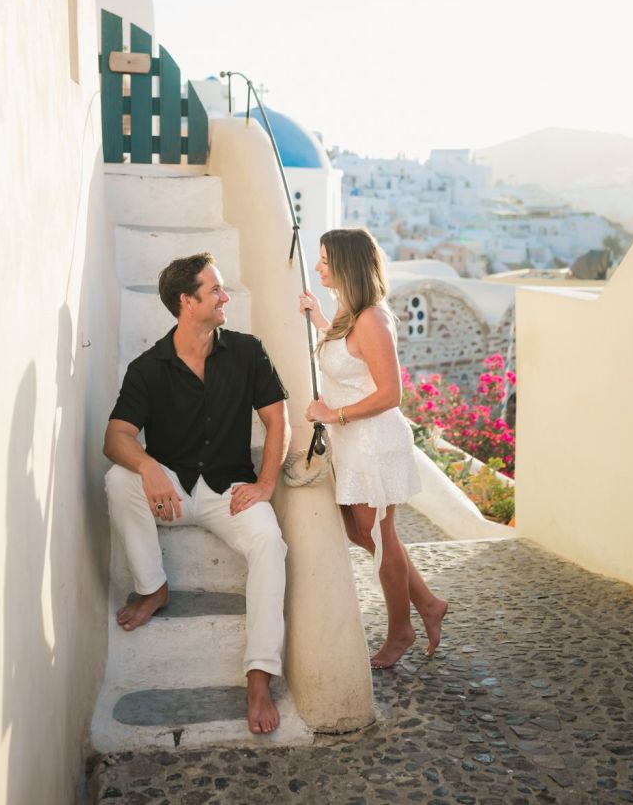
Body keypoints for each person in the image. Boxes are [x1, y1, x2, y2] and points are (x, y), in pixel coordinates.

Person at [103, 252, 290, 735]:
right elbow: (115, 437)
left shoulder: (248, 351)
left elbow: (277, 420)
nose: (226, 297)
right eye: (215, 291)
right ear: (187, 302)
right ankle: (153, 587)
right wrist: (147, 466)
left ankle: (259, 675)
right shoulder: (149, 367)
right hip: (174, 494)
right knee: (118, 478)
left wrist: (266, 483)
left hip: (232, 493)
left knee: (270, 543)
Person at [300, 228, 448, 669]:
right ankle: (428, 604)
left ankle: (401, 630)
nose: (318, 266)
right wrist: (319, 321)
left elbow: (390, 394)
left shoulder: (373, 319)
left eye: (325, 260)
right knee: (361, 533)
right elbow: (349, 357)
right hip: (352, 442)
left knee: (380, 540)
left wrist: (333, 415)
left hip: (372, 443)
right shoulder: (348, 312)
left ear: (346, 263)